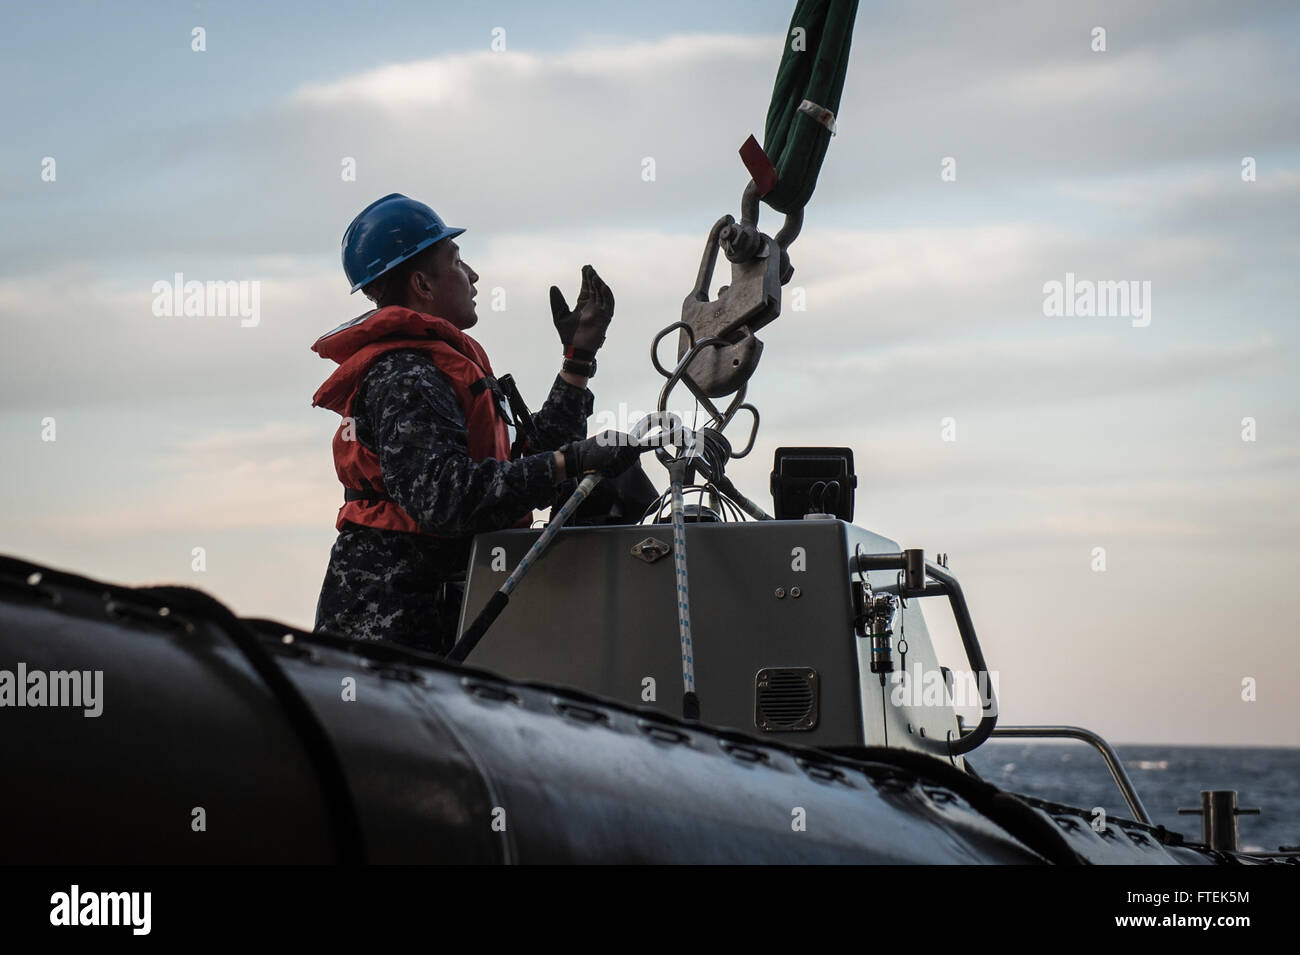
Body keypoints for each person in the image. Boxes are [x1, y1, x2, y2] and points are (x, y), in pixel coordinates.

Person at [311, 193, 639, 653]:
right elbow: (447, 498)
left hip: (439, 614)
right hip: (391, 630)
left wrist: (579, 357)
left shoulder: (436, 367)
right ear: (423, 285)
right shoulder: (406, 376)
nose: (474, 275)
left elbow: (519, 468)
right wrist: (569, 461)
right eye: (458, 261)